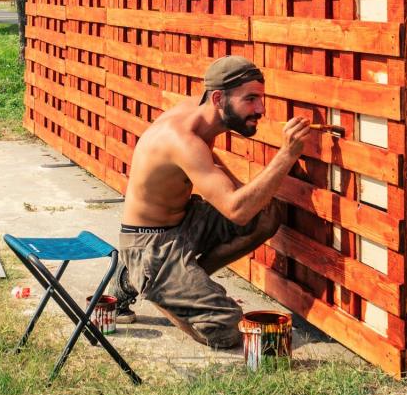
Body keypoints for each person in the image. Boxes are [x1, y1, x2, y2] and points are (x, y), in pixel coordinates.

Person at [111, 55, 311, 348]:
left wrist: (238, 188)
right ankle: (154, 285)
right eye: (251, 99)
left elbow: (216, 173)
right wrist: (287, 155)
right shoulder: (182, 139)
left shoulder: (201, 112)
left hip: (182, 221)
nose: (261, 109)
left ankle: (178, 284)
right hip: (149, 245)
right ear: (219, 98)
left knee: (265, 213)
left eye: (261, 99)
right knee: (227, 329)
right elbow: (236, 211)